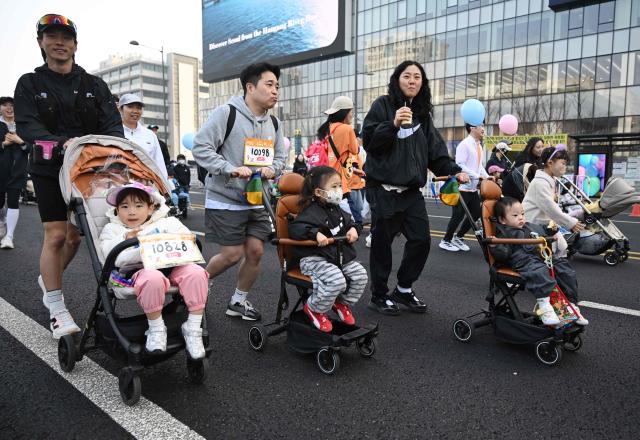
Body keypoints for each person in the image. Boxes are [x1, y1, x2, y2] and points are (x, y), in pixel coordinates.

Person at [14, 14, 123, 338]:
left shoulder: (94, 85)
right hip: (48, 166)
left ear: (75, 44)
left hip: (88, 168)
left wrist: (111, 150)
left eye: (65, 36)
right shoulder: (29, 84)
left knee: (79, 236)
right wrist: (64, 144)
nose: (59, 41)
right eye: (51, 36)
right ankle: (57, 308)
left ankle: (49, 279)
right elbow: (29, 127)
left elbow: (112, 126)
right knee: (57, 235)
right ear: (41, 43)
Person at [362, 60, 468, 315]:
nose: (412, 81)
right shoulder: (383, 105)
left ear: (423, 83)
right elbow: (370, 142)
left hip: (411, 193)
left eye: (417, 77)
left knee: (421, 240)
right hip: (383, 189)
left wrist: (452, 170)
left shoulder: (423, 115)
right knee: (382, 245)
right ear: (397, 79)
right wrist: (393, 124)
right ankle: (379, 295)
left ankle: (404, 289)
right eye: (406, 76)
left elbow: (435, 153)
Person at [192, 62, 285, 321]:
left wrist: (272, 170)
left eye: (277, 86)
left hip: (257, 199)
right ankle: (197, 284)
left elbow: (280, 157)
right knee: (232, 254)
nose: (275, 91)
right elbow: (200, 147)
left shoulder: (274, 123)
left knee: (255, 251)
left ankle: (238, 301)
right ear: (250, 87)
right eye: (269, 85)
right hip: (226, 199)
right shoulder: (227, 113)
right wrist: (229, 168)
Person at [99, 183, 209, 357]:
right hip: (136, 272)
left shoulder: (168, 222)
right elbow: (115, 258)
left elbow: (188, 242)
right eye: (124, 207)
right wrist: (126, 239)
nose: (131, 212)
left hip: (171, 266)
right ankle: (156, 328)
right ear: (117, 210)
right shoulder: (113, 229)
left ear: (150, 208)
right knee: (152, 278)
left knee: (196, 273)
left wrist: (151, 244)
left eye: (138, 206)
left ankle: (193, 327)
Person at [288, 166, 367, 332]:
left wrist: (354, 229)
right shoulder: (311, 211)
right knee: (337, 280)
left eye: (340, 186)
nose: (339, 190)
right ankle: (314, 308)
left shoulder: (336, 209)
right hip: (315, 259)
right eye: (334, 187)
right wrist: (315, 234)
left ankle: (341, 303)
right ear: (318, 192)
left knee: (360, 275)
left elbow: (350, 223)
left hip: (336, 256)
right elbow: (296, 229)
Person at [491, 196, 588, 326]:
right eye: (515, 215)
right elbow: (503, 254)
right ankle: (544, 307)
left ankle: (570, 306)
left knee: (564, 268)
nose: (521, 217)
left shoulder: (528, 226)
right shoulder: (504, 233)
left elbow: (541, 229)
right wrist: (495, 244)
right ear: (502, 220)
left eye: (522, 214)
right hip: (523, 261)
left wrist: (551, 229)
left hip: (539, 257)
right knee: (539, 271)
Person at [522, 146, 585, 257]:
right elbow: (551, 208)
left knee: (561, 248)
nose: (565, 167)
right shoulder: (540, 183)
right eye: (563, 163)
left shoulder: (547, 180)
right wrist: (570, 223)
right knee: (558, 252)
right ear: (550, 163)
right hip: (532, 227)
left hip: (540, 225)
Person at [440, 122, 489, 252]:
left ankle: (459, 237)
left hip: (472, 188)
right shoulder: (464, 144)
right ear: (473, 128)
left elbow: (479, 166)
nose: (483, 128)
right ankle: (445, 240)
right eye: (481, 126)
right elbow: (460, 165)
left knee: (476, 214)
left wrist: (487, 177)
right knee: (458, 216)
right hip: (462, 188)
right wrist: (477, 176)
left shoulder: (479, 145)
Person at [0, 96, 29, 249]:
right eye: (4, 105)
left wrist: (21, 141)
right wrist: (4, 144)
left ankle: (9, 236)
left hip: (18, 170)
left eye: (11, 105)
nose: (9, 108)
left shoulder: (24, 125)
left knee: (13, 201)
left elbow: (32, 146)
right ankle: (2, 222)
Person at [118, 94, 167, 179]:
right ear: (121, 109)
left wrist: (164, 188)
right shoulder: (113, 133)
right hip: (118, 184)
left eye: (139, 108)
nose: (135, 111)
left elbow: (159, 163)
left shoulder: (150, 135)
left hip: (146, 185)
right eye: (130, 107)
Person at [318, 95, 359, 196]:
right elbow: (355, 150)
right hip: (341, 180)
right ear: (344, 113)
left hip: (328, 176)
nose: (352, 115)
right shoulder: (347, 129)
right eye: (351, 112)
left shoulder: (328, 129)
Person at [347, 143, 366, 231]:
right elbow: (349, 167)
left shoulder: (358, 154)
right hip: (351, 185)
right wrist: (359, 171)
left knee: (359, 207)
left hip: (358, 184)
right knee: (354, 207)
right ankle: (358, 224)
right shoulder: (349, 154)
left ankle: (358, 222)